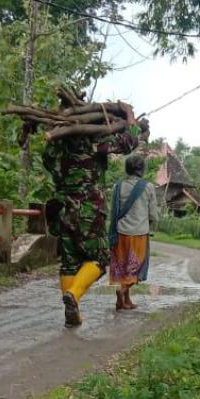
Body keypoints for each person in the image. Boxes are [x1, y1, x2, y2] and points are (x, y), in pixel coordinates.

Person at [42, 113, 148, 328]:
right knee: (99, 259)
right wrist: (131, 121)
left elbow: (47, 161)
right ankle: (73, 294)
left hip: (62, 209)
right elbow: (127, 143)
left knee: (70, 264)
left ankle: (73, 311)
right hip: (88, 211)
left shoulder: (55, 146)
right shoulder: (94, 143)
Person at [108, 154, 158, 310]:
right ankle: (121, 291)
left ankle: (126, 300)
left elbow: (112, 212)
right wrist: (152, 224)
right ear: (141, 169)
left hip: (120, 234)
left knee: (124, 268)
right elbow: (153, 214)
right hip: (139, 235)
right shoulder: (148, 187)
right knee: (136, 268)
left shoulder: (118, 186)